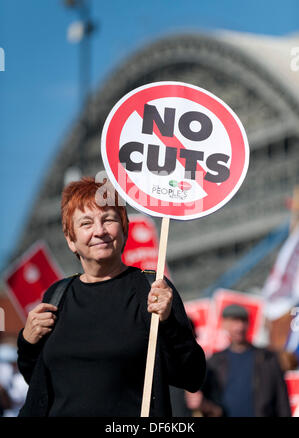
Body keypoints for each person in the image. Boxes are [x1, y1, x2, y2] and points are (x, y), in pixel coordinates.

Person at [17, 177, 206, 417]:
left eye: (108, 219)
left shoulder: (152, 288)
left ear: (124, 229)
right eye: (86, 223)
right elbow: (36, 380)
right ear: (71, 240)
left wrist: (169, 323)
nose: (100, 231)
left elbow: (192, 376)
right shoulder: (56, 295)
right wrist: (27, 341)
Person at [185, 303, 291, 417]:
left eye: (243, 321)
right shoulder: (213, 363)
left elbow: (282, 402)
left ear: (249, 323)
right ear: (224, 324)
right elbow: (207, 402)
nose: (239, 327)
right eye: (234, 321)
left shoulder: (268, 359)